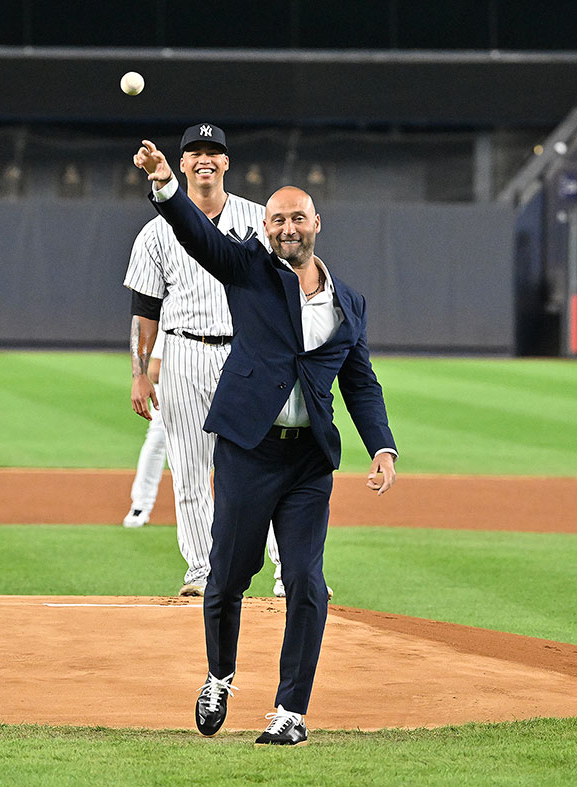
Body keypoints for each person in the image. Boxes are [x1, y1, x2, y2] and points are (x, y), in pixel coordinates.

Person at [133, 139, 397, 746]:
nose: (285, 228)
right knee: (226, 576)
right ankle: (219, 676)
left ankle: (291, 712)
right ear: (265, 227)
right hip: (249, 451)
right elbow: (199, 237)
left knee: (306, 579)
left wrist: (382, 446)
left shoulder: (348, 301)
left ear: (316, 225)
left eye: (296, 217)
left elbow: (360, 381)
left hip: (308, 462)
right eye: (276, 219)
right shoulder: (249, 272)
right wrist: (164, 183)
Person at [124, 123, 283, 597]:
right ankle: (201, 571)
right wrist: (138, 373)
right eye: (195, 152)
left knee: (267, 467)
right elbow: (145, 310)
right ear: (183, 163)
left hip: (248, 353)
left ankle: (286, 572)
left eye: (214, 152)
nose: (204, 160)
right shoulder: (156, 233)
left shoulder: (261, 221)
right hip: (185, 354)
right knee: (190, 469)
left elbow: (287, 291)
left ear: (227, 162)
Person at [123, 328, 167, 528]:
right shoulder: (174, 309)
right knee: (157, 441)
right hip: (171, 387)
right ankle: (141, 504)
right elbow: (155, 371)